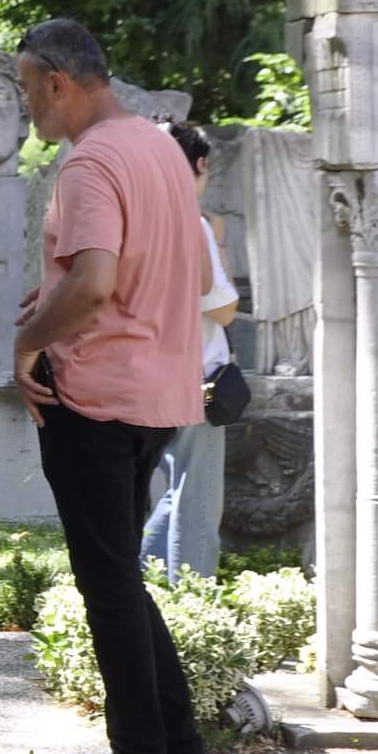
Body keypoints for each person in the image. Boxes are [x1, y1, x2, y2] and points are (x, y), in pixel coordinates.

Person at [10, 18, 211, 754]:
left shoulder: (88, 163)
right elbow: (169, 274)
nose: (29, 108)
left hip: (94, 400)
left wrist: (28, 337)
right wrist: (57, 291)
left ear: (58, 83)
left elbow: (96, 283)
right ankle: (180, 751)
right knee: (120, 579)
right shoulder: (160, 147)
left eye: (29, 90)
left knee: (108, 588)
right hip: (159, 396)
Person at [139, 120, 239, 584]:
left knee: (176, 491)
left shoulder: (139, 219)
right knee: (197, 501)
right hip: (198, 378)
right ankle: (191, 607)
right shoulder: (191, 224)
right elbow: (223, 310)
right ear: (199, 165)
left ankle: (145, 586)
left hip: (149, 376)